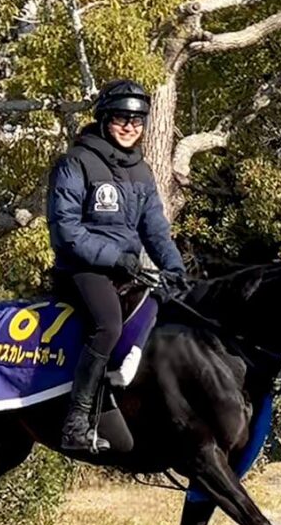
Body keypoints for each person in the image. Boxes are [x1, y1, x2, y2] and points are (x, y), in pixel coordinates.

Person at [46, 79, 186, 451]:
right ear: (105, 118)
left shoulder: (141, 172)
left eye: (137, 121)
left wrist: (176, 270)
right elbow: (67, 232)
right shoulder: (75, 162)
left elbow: (155, 228)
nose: (129, 127)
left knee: (171, 307)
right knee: (107, 325)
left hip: (127, 270)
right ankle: (76, 422)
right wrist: (116, 258)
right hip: (82, 270)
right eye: (121, 118)